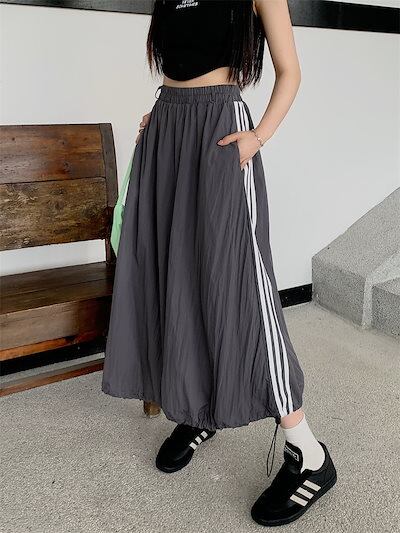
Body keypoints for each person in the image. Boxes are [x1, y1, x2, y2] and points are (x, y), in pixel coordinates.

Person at [102, 0, 336, 526]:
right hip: (168, 130)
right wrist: (162, 116)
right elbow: (179, 63)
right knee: (175, 275)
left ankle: (309, 454)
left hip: (220, 134)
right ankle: (197, 408)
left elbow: (290, 72)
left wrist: (258, 136)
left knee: (242, 289)